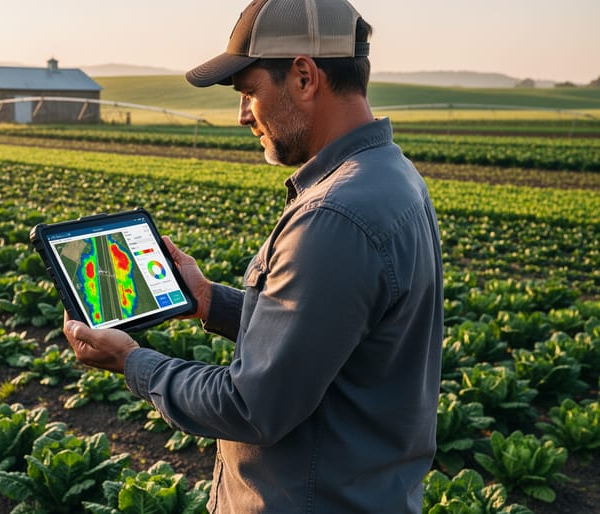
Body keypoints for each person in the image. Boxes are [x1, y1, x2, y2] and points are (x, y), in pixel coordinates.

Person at [63, 0, 444, 511]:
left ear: (305, 77)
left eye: (249, 93)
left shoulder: (334, 215)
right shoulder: (392, 178)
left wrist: (132, 362)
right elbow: (327, 338)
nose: (243, 115)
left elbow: (251, 406)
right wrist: (207, 301)